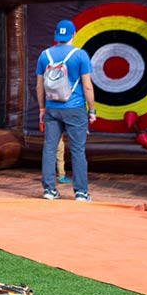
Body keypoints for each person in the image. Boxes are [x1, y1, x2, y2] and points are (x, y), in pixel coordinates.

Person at [36, 19, 96, 201]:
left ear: (57, 35)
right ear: (74, 34)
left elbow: (39, 86)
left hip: (52, 108)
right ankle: (81, 192)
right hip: (75, 108)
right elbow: (87, 86)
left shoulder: (44, 55)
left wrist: (42, 108)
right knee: (77, 149)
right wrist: (92, 109)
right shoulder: (81, 55)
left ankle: (49, 190)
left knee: (49, 148)